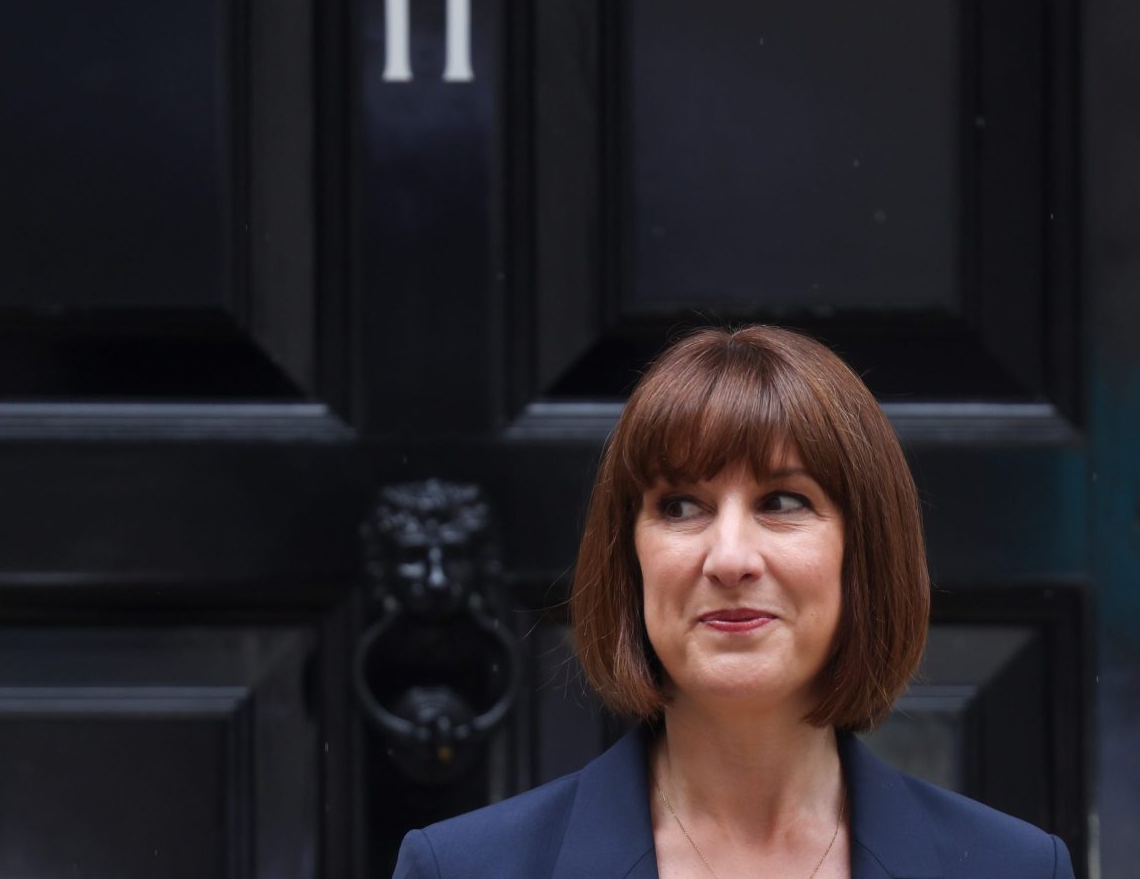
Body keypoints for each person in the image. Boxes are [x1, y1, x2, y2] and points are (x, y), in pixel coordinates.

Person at [391, 325, 1075, 878]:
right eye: (681, 507)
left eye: (783, 502)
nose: (729, 559)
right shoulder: (464, 868)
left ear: (862, 554)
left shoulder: (1012, 867)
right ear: (628, 558)